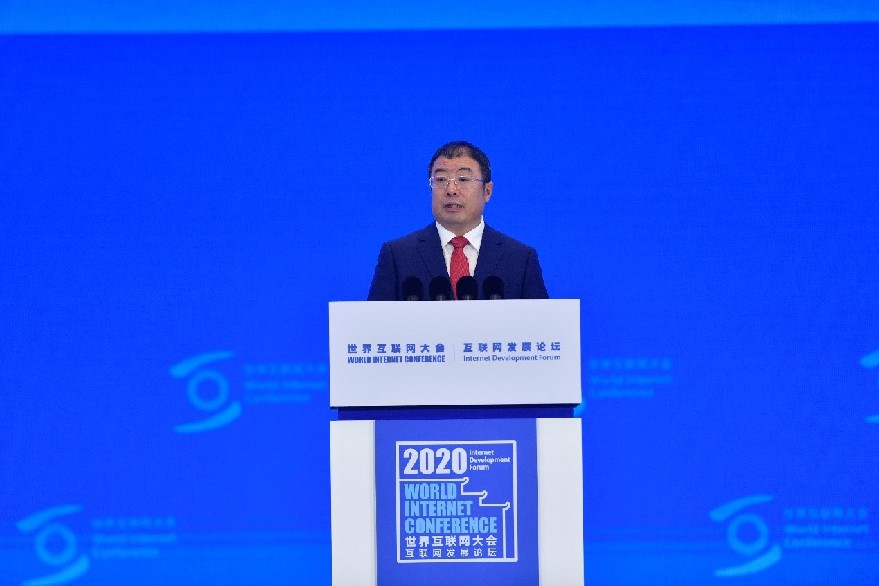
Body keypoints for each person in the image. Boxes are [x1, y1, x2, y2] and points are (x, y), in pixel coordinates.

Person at [367, 141, 548, 300]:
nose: (451, 190)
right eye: (441, 179)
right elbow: (375, 323)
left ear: (487, 191)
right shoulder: (397, 256)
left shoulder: (520, 259)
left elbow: (541, 324)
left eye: (463, 179)